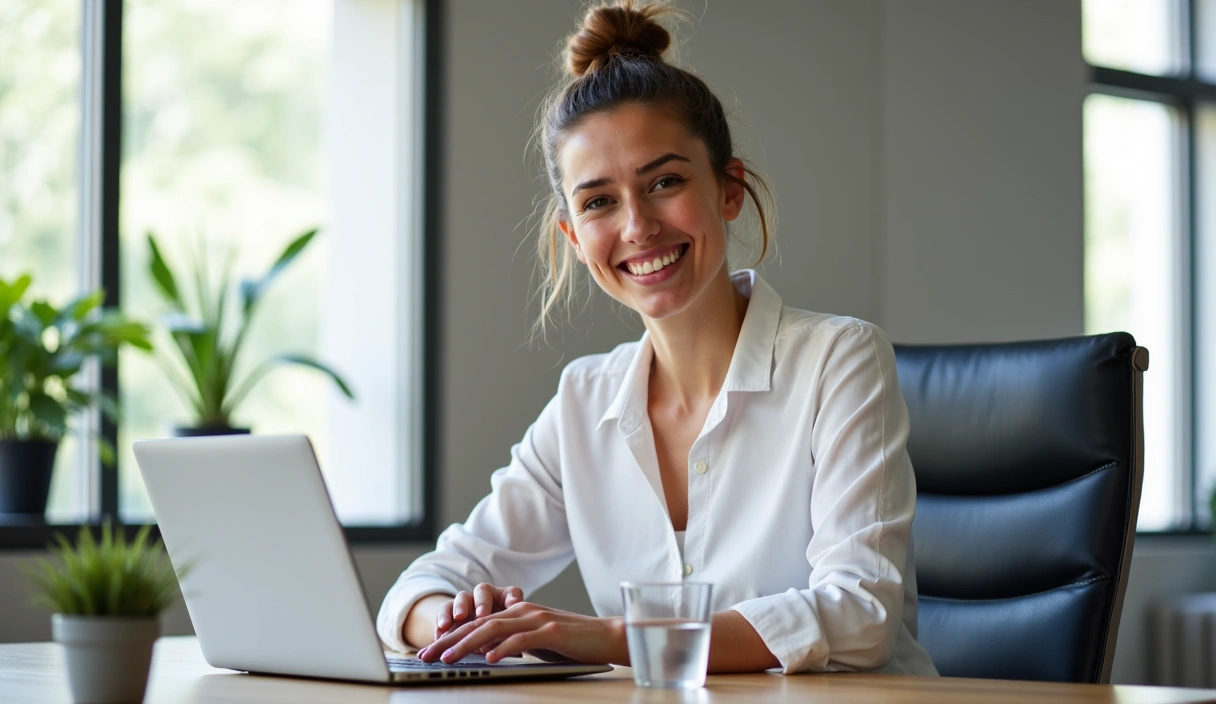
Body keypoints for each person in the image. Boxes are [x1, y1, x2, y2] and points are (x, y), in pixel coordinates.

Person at [376, 0, 937, 676]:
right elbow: (421, 582)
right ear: (574, 239)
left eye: (664, 182)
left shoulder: (838, 360)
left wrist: (613, 637)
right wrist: (458, 621)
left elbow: (858, 616)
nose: (637, 226)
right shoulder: (587, 400)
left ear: (729, 191)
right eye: (599, 202)